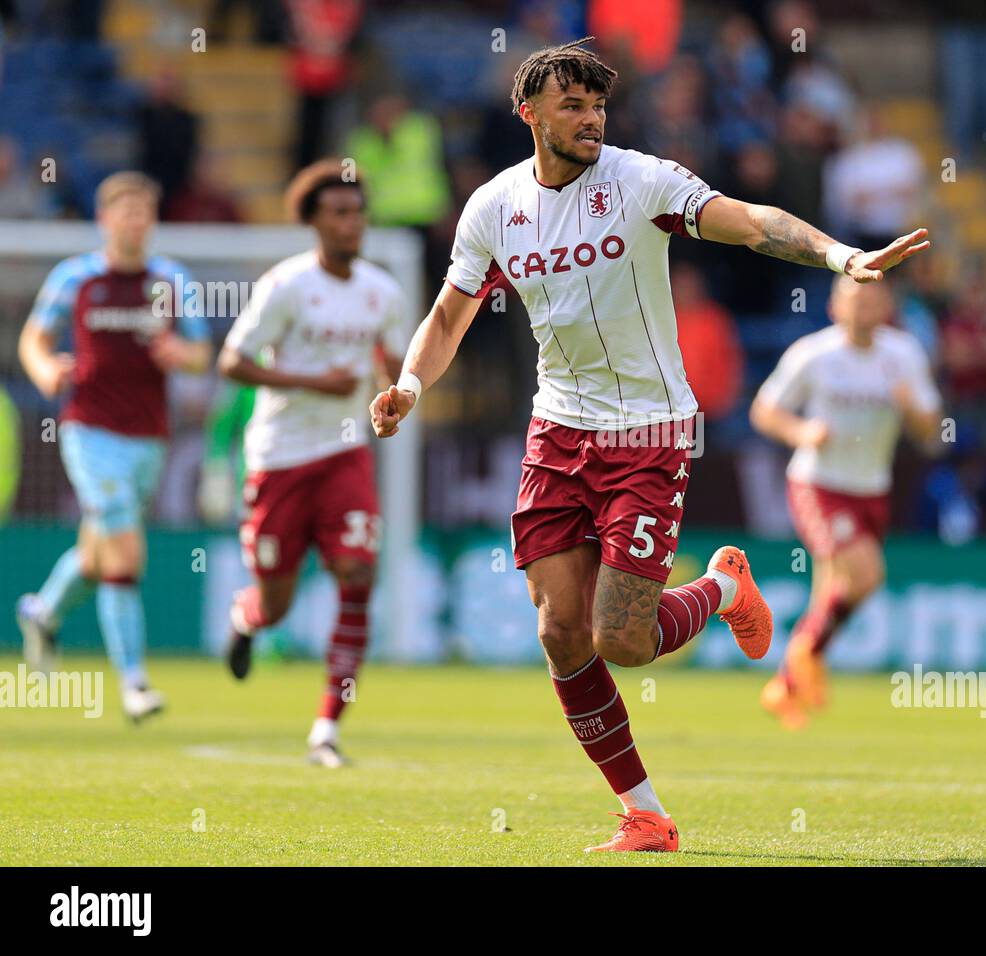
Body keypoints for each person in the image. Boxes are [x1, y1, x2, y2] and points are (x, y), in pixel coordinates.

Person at [369, 38, 930, 852]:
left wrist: (840, 255)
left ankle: (722, 588)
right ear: (529, 113)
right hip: (556, 432)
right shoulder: (493, 206)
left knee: (622, 641)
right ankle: (646, 814)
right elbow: (451, 315)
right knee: (561, 634)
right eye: (574, 105)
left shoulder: (640, 181)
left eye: (598, 106)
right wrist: (410, 387)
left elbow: (750, 221)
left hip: (649, 432)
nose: (592, 119)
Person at [217, 160, 409, 767]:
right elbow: (232, 362)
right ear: (313, 221)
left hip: (345, 454)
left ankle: (326, 726)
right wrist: (309, 382)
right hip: (279, 457)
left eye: (359, 213)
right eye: (339, 213)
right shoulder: (286, 286)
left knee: (357, 576)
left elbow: (393, 362)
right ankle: (246, 619)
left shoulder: (385, 292)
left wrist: (391, 391)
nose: (353, 224)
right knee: (276, 604)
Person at [15, 172, 210, 720]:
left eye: (144, 212)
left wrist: (179, 352)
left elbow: (202, 354)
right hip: (88, 429)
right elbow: (34, 337)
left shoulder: (171, 279)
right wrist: (45, 369)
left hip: (147, 436)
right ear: (104, 219)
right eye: (125, 211)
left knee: (99, 551)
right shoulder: (75, 277)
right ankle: (134, 684)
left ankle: (43, 610)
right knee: (125, 552)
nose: (135, 221)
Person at [750, 279, 941, 729]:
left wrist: (910, 407)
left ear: (887, 305)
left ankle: (784, 687)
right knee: (867, 573)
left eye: (873, 299)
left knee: (831, 592)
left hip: (872, 487)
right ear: (835, 305)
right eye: (855, 299)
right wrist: (801, 433)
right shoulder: (813, 354)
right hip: (819, 483)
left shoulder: (904, 354)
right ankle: (806, 651)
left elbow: (931, 429)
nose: (864, 308)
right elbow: (764, 409)